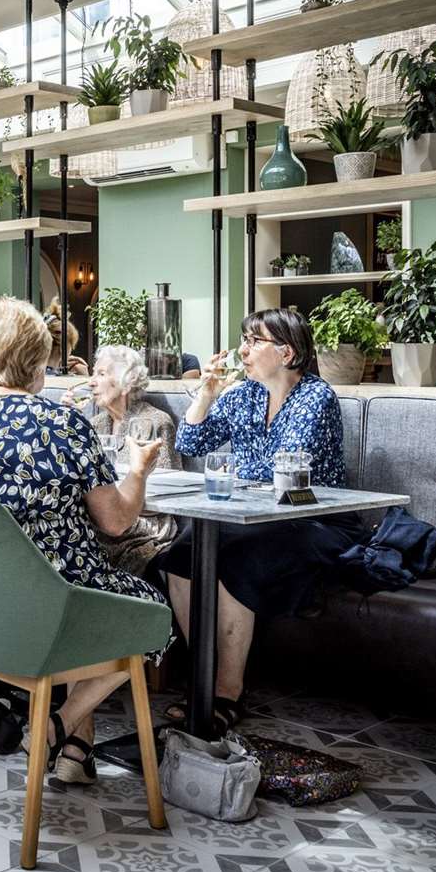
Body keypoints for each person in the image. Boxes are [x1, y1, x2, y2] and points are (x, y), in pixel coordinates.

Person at [0, 297, 170, 785]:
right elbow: (117, 522)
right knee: (149, 612)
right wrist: (138, 471)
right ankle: (55, 726)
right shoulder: (63, 424)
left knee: (88, 589)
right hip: (54, 612)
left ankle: (76, 746)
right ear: (37, 361)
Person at [156, 306, 354, 734]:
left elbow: (283, 468)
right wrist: (206, 393)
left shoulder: (316, 397)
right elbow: (190, 442)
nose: (242, 350)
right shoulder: (242, 395)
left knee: (237, 560)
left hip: (313, 520)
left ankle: (228, 692)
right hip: (250, 518)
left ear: (286, 352)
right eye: (244, 340)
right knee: (181, 555)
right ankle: (203, 677)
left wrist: (236, 471)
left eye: (253, 341)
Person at [61, 345, 181, 576]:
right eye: (93, 373)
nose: (91, 382)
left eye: (102, 374)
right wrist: (70, 422)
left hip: (141, 529)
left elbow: (166, 491)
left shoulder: (154, 422)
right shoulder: (94, 424)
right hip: (102, 520)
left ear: (127, 381)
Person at [44, 302, 90, 376]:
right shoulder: (62, 378)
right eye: (71, 345)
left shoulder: (31, 374)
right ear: (64, 348)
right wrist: (84, 377)